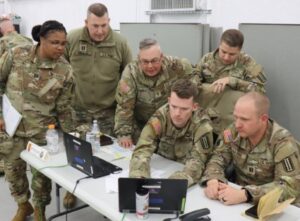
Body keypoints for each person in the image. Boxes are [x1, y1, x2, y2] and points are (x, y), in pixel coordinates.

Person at [0, 20, 74, 221]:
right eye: (55, 42)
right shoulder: (17, 55)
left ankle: (40, 210)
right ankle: (23, 206)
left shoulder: (65, 71)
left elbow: (64, 108)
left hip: (42, 134)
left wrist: (72, 137)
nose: (60, 47)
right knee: (14, 174)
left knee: (41, 178)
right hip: (10, 129)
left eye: (63, 43)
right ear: (41, 39)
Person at [64, 2, 132, 208]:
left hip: (107, 112)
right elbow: (60, 66)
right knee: (76, 153)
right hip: (78, 110)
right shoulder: (72, 39)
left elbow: (129, 74)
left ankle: (105, 198)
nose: (100, 30)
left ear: (109, 22)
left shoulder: (120, 43)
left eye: (104, 25)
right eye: (95, 26)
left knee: (109, 156)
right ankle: (71, 189)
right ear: (86, 23)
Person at [200, 92, 300, 206]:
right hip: (237, 198)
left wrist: (246, 194)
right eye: (235, 117)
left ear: (263, 119)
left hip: (269, 204)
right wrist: (213, 179)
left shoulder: (283, 143)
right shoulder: (232, 132)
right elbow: (218, 157)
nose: (237, 124)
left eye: (244, 119)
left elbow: (290, 186)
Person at [114, 38, 198, 148]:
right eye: (145, 61)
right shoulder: (131, 73)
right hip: (141, 126)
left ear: (161, 57)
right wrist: (124, 134)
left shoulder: (175, 65)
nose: (150, 66)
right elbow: (124, 106)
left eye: (154, 60)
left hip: (169, 127)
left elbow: (194, 76)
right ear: (139, 59)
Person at [129, 79, 215, 187]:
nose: (177, 113)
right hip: (162, 168)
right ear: (169, 101)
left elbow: (197, 162)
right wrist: (139, 175)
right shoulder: (160, 116)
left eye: (184, 109)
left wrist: (173, 184)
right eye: (174, 106)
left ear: (194, 107)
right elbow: (143, 147)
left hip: (185, 174)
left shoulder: (203, 125)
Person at [196, 29, 267, 133]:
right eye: (223, 52)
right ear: (219, 45)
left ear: (240, 50)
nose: (226, 57)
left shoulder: (248, 63)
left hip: (232, 124)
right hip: (206, 119)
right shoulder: (207, 59)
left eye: (232, 54)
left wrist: (232, 81)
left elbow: (260, 92)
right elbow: (194, 79)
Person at [0, 15, 32, 177]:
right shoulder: (28, 41)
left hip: (9, 103)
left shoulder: (3, 45)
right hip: (29, 104)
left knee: (10, 148)